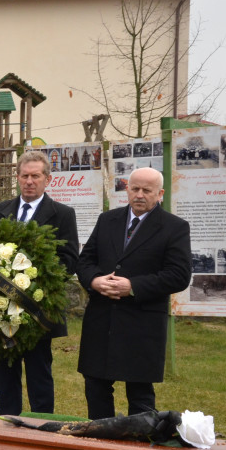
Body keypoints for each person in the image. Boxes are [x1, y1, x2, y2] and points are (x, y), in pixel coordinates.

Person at [76, 167, 191, 419]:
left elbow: (179, 276)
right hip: (101, 319)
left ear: (159, 193)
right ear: (127, 189)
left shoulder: (174, 227)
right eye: (134, 188)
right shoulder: (108, 220)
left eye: (146, 190)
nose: (139, 195)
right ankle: (99, 443)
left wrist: (133, 287)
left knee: (140, 395)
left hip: (142, 323)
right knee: (95, 385)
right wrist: (95, 281)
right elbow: (85, 261)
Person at [0, 151, 79, 415]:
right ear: (17, 177)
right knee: (5, 369)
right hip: (2, 307)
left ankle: (41, 425)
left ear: (47, 179)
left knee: (39, 370)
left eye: (36, 176)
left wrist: (32, 283)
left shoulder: (62, 214)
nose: (30, 181)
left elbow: (69, 259)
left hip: (39, 308)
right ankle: (8, 422)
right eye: (25, 176)